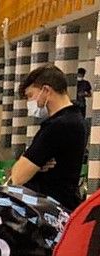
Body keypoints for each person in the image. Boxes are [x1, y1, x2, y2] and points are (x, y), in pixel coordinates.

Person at [10, 65, 85, 211]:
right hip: (63, 202)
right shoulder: (75, 118)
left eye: (31, 95)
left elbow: (18, 177)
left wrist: (31, 164)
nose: (29, 103)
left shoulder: (58, 126)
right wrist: (37, 164)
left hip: (48, 209)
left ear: (46, 90)